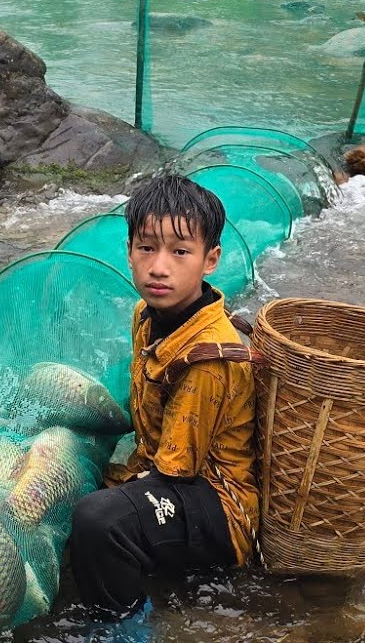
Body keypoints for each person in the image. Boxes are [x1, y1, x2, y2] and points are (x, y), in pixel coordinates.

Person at [68, 175, 258, 618]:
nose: (159, 267)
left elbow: (177, 469)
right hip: (168, 473)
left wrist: (110, 497)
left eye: (180, 251)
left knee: (99, 521)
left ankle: (128, 626)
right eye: (147, 247)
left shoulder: (209, 355)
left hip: (217, 503)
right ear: (129, 250)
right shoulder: (145, 314)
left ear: (210, 260)